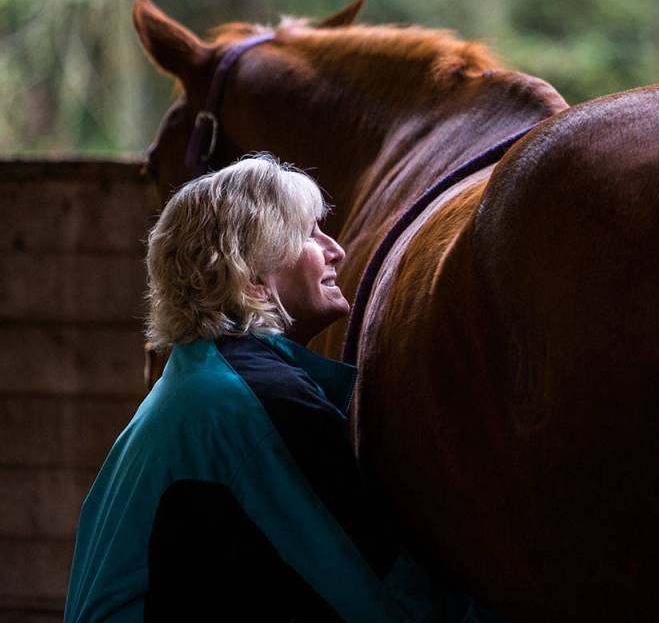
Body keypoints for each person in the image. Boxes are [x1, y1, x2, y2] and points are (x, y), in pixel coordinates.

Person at [65, 154, 469, 622]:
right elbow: (385, 598)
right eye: (309, 234)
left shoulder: (195, 380)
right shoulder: (253, 402)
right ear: (252, 278)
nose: (335, 249)